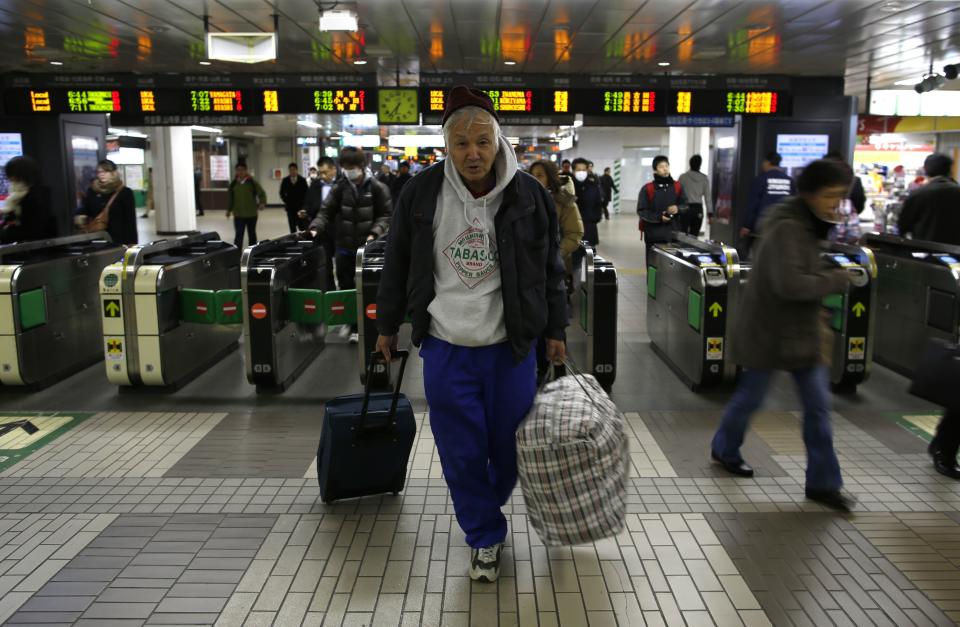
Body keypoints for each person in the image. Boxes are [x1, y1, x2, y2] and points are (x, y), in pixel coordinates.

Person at [375, 86, 567, 584]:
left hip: (511, 346)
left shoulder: (530, 195)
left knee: (508, 450)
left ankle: (486, 506)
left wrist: (556, 329)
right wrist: (385, 325)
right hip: (445, 346)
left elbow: (550, 268)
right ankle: (484, 535)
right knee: (460, 451)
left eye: (482, 141)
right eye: (461, 144)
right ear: (445, 146)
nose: (473, 154)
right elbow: (396, 261)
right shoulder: (421, 193)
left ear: (498, 139)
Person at [711, 159, 856, 511]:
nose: (835, 204)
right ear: (809, 194)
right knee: (750, 398)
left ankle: (823, 484)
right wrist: (837, 279)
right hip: (770, 331)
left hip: (802, 334)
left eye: (840, 197)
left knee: (818, 409)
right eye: (830, 196)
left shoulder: (810, 224)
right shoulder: (787, 228)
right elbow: (789, 284)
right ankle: (724, 448)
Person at [899, 153, 960, 478]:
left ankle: (945, 448)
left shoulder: (921, 193)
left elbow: (902, 225)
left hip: (927, 263)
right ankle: (944, 448)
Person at [308, 146, 391, 344]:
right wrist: (315, 227)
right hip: (344, 248)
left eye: (352, 166)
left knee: (368, 288)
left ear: (362, 166)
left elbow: (386, 215)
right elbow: (326, 211)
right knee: (346, 288)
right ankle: (352, 325)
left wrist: (374, 233)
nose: (348, 170)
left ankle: (370, 325)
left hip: (368, 250)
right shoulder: (340, 188)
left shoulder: (377, 188)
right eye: (345, 166)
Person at [529, 159, 584, 273]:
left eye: (540, 175)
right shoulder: (524, 199)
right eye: (532, 175)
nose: (534, 179)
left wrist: (555, 255)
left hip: (554, 267)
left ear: (550, 178)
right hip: (528, 264)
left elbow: (574, 234)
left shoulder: (565, 203)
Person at [741, 151, 794, 258]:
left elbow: (753, 204)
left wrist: (747, 225)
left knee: (762, 256)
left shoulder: (761, 179)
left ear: (767, 162)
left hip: (763, 228)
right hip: (784, 226)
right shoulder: (790, 181)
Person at [638, 155, 688, 260]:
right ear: (655, 170)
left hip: (673, 235)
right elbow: (642, 211)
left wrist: (678, 208)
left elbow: (686, 205)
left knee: (672, 265)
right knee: (654, 265)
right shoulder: (647, 188)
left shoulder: (678, 186)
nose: (665, 169)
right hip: (654, 236)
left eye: (666, 166)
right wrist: (659, 218)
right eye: (661, 166)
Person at [77, 159, 137, 245]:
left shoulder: (125, 192)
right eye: (99, 172)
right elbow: (86, 211)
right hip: (97, 238)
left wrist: (132, 244)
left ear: (113, 173)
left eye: (106, 171)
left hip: (118, 240)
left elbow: (130, 221)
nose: (102, 174)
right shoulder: (92, 191)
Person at [0, 156, 56, 244]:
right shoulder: (16, 193)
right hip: (21, 247)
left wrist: (6, 232)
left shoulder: (37, 195)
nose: (10, 179)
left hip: (38, 250)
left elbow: (34, 228)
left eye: (12, 174)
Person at [303, 157, 339, 290]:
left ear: (333, 169)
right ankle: (330, 292)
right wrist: (305, 211)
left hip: (341, 230)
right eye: (320, 173)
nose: (322, 176)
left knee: (342, 264)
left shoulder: (342, 184)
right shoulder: (315, 185)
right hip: (322, 229)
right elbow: (309, 202)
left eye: (325, 172)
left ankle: (347, 294)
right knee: (326, 263)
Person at [823, 151, 865, 243]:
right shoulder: (854, 181)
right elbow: (860, 204)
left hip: (826, 239)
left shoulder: (822, 183)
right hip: (848, 238)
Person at [226, 162, 266, 249]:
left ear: (246, 171)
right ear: (236, 171)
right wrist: (229, 210)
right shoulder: (233, 184)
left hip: (251, 214)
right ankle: (237, 255)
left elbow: (261, 193)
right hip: (238, 215)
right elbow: (230, 199)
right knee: (238, 236)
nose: (240, 172)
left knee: (252, 235)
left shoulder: (252, 182)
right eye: (238, 170)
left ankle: (252, 253)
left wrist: (262, 202)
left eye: (242, 170)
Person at [571, 158, 603, 248]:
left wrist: (594, 219)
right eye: (578, 170)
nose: (581, 172)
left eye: (584, 170)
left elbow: (598, 204)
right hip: (572, 231)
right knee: (575, 259)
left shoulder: (593, 186)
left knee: (590, 257)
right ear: (573, 171)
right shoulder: (568, 187)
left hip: (589, 228)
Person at [678, 155, 710, 236]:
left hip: (685, 208)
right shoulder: (704, 178)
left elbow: (678, 194)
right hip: (698, 209)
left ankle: (682, 248)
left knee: (682, 234)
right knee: (694, 235)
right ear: (700, 164)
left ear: (690, 163)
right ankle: (692, 248)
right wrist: (710, 213)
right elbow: (708, 197)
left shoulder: (683, 177)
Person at [279, 162, 308, 234]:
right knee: (292, 227)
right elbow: (281, 192)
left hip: (300, 207)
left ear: (297, 170)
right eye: (290, 170)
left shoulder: (302, 180)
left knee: (302, 226)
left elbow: (307, 193)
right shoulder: (285, 180)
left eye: (294, 169)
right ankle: (294, 241)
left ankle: (303, 241)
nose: (292, 171)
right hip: (290, 207)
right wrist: (286, 200)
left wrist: (304, 204)